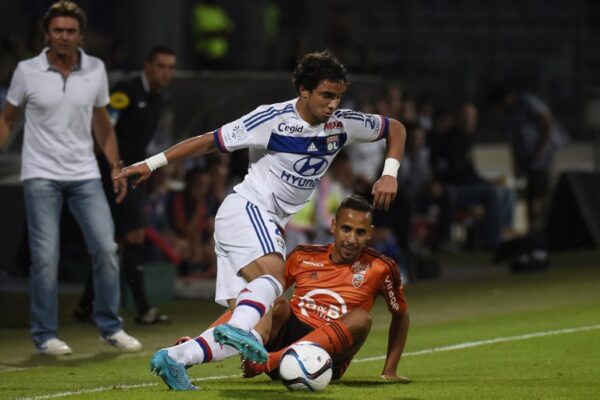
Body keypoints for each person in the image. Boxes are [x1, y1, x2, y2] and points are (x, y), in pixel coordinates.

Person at [117, 49, 405, 390]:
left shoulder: (343, 124)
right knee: (272, 278)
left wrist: (390, 173)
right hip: (248, 209)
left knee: (261, 327)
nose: (332, 105)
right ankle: (238, 330)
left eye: (338, 97)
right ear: (305, 91)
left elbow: (395, 128)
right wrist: (150, 164)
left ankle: (177, 358)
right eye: (326, 95)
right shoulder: (270, 119)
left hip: (263, 223)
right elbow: (210, 142)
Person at [0, 1, 142, 355]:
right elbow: (8, 118)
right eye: (58, 30)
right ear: (47, 34)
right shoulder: (26, 71)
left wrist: (114, 165)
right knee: (45, 257)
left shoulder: (95, 69)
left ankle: (110, 326)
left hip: (84, 174)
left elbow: (101, 121)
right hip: (40, 174)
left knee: (106, 249)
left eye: (71, 31)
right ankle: (45, 334)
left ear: (81, 35)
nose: (64, 36)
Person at [173, 195, 410, 385]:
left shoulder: (381, 267)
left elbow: (401, 314)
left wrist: (390, 370)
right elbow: (258, 298)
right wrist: (202, 337)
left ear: (369, 232)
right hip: (285, 335)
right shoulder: (303, 255)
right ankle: (193, 349)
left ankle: (270, 362)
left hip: (325, 359)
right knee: (274, 302)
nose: (351, 239)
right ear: (334, 226)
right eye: (346, 229)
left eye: (360, 232)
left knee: (362, 318)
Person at [73, 45, 176, 325]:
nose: (165, 72)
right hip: (112, 173)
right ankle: (143, 309)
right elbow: (103, 128)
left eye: (169, 67)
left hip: (133, 175)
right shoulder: (126, 90)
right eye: (160, 66)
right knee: (135, 236)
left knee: (114, 241)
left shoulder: (158, 99)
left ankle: (85, 306)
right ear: (147, 65)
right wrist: (109, 168)